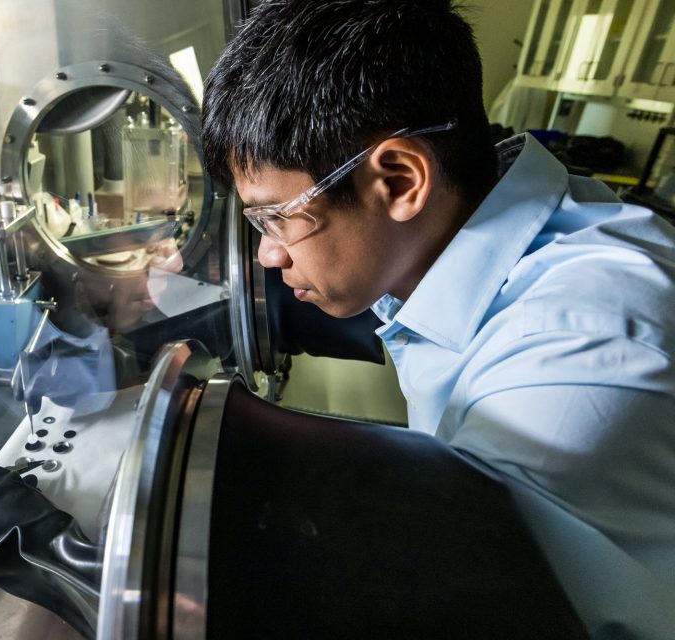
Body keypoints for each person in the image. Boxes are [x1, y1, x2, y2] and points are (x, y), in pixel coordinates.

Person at [201, 0, 675, 637]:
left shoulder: (566, 356)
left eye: (273, 216)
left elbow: (444, 602)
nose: (267, 252)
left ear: (399, 180)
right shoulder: (491, 234)